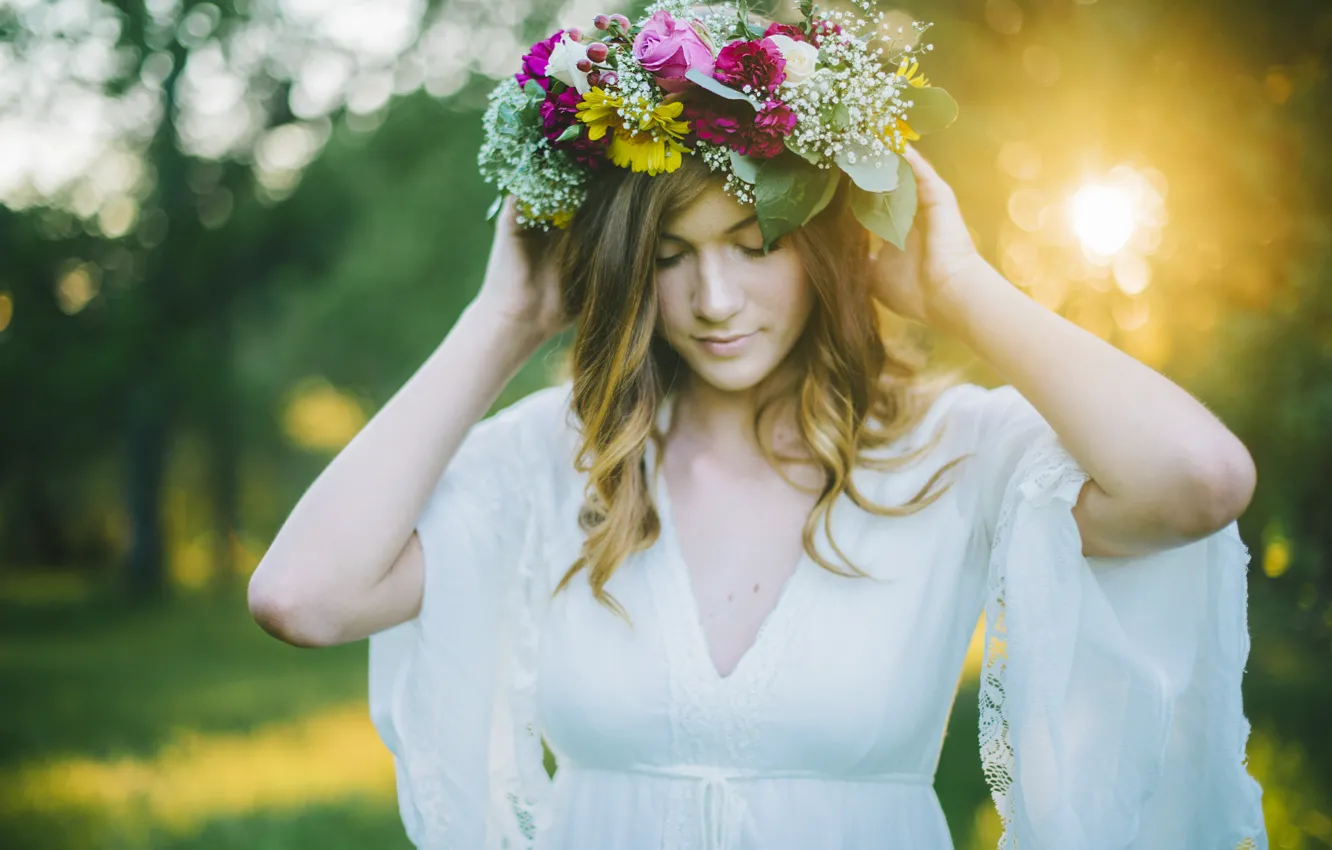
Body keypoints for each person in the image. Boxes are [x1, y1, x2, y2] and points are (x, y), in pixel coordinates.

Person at [248, 5, 1268, 849]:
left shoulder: (954, 452)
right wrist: (502, 320)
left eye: (753, 241)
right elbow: (302, 597)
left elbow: (1200, 482)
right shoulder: (556, 457)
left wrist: (959, 288)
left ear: (827, 249)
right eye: (670, 255)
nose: (716, 299)